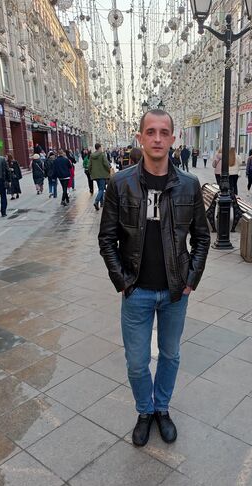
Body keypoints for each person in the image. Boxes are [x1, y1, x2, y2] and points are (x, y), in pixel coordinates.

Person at [98, 109, 210, 447]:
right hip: (137, 291)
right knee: (136, 363)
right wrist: (122, 282)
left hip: (175, 292)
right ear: (140, 138)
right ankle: (145, 411)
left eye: (163, 132)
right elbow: (107, 239)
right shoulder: (121, 183)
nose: (157, 138)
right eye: (151, 132)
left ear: (173, 139)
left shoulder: (188, 184)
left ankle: (162, 408)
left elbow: (202, 237)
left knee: (171, 356)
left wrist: (190, 279)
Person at [88, 143, 110, 211]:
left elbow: (89, 165)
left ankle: (102, 203)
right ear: (99, 147)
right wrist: (109, 170)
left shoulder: (91, 155)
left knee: (100, 188)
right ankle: (96, 201)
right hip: (102, 174)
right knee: (101, 189)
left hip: (95, 175)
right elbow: (106, 164)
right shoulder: (102, 154)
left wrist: (91, 172)